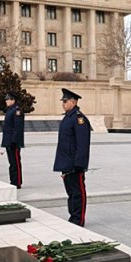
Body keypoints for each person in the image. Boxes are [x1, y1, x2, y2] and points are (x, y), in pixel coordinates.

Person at [53, 88, 91, 226]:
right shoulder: (68, 117)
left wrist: (79, 164)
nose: (63, 103)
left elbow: (82, 144)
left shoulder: (79, 119)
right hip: (66, 162)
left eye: (65, 101)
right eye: (62, 101)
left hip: (75, 164)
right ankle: (73, 216)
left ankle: (78, 219)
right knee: (71, 192)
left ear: (74, 102)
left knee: (77, 192)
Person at [1, 93, 25, 188]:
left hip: (13, 142)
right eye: (6, 100)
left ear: (13, 100)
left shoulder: (17, 111)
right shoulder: (10, 111)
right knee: (11, 163)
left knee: (15, 163)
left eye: (9, 99)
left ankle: (17, 181)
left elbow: (17, 128)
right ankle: (13, 180)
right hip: (9, 141)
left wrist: (14, 141)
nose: (7, 101)